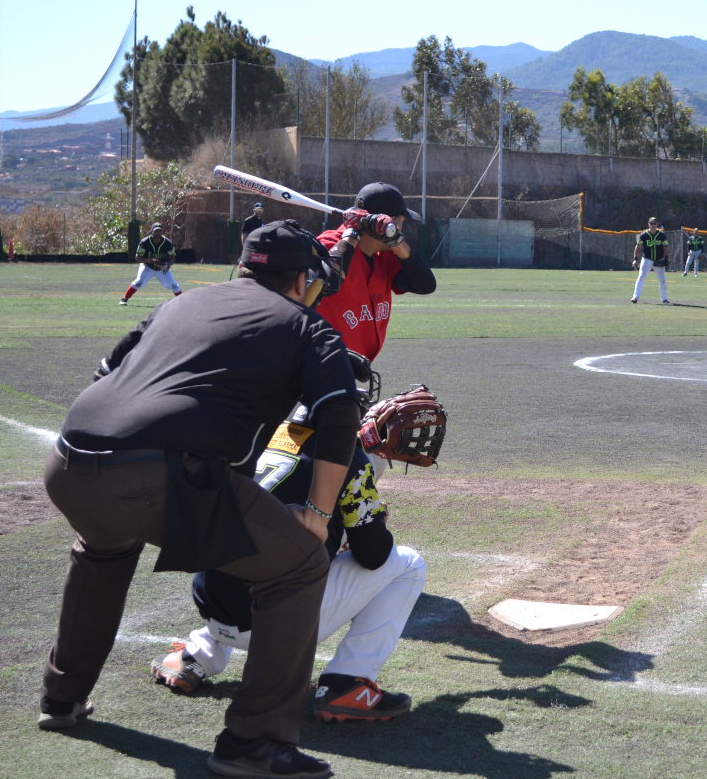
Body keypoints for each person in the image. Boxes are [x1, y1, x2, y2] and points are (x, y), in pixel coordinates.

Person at [41, 220, 359, 779]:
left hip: (68, 460)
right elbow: (338, 418)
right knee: (301, 564)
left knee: (104, 549)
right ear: (302, 279)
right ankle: (254, 742)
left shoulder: (181, 303)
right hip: (155, 477)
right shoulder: (308, 326)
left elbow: (106, 372)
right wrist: (317, 514)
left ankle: (61, 698)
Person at [150, 362, 427, 723]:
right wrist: (371, 521)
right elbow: (374, 555)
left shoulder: (259, 431)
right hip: (273, 622)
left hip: (210, 602)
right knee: (408, 564)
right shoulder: (348, 455)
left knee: (252, 547)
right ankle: (346, 683)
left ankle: (195, 655)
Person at [316, 182, 436, 362]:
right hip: (322, 364)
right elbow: (328, 282)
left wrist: (396, 241)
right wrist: (353, 232)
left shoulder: (386, 256)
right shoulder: (330, 245)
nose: (400, 229)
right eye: (400, 223)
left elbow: (425, 285)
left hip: (356, 366)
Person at [120, 222, 181, 305]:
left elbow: (172, 259)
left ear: (162, 232)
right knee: (138, 282)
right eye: (156, 231)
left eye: (159, 231)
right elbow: (137, 257)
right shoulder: (145, 242)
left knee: (174, 285)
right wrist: (148, 260)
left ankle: (183, 302)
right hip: (147, 267)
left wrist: (167, 265)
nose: (158, 233)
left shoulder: (168, 243)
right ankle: (124, 299)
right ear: (151, 232)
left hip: (161, 268)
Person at [631, 216, 670, 304]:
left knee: (662, 280)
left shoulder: (662, 235)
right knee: (641, 277)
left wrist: (666, 258)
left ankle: (664, 299)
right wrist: (635, 259)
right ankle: (635, 297)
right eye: (651, 223)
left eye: (654, 223)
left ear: (657, 224)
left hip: (658, 259)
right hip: (647, 259)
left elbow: (665, 247)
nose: (653, 225)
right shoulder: (644, 235)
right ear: (648, 224)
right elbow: (638, 247)